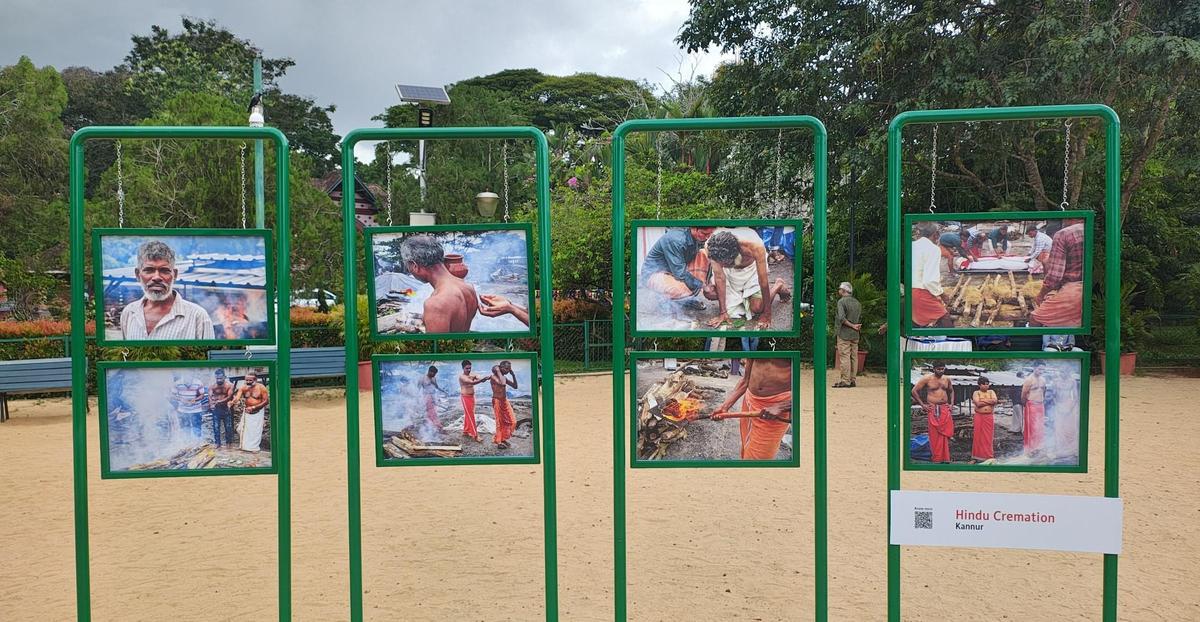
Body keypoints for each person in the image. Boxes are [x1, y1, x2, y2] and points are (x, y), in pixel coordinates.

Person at [119, 240, 215, 340]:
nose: (156, 277)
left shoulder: (197, 317)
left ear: (175, 275)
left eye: (164, 271)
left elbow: (209, 353)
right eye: (149, 270)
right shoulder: (129, 313)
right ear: (138, 274)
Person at [703, 229, 793, 329]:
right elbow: (720, 277)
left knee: (757, 308)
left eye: (725, 264)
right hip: (729, 274)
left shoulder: (755, 246)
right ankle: (741, 298)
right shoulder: (711, 247)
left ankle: (778, 285)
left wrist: (767, 314)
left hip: (751, 271)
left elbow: (763, 281)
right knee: (709, 293)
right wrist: (723, 312)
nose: (722, 265)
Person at [715, 357, 793, 460]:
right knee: (745, 449)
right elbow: (745, 380)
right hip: (749, 401)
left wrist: (781, 406)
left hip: (774, 411)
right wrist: (725, 406)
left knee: (757, 461)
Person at [400, 235, 478, 333]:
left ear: (415, 266)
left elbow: (437, 347)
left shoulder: (435, 304)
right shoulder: (468, 288)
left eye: (408, 267)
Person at [639, 227, 717, 310]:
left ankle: (686, 298)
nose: (707, 237)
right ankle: (668, 300)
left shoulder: (697, 238)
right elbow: (680, 273)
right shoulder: (675, 240)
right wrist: (702, 285)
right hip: (655, 273)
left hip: (674, 270)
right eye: (704, 234)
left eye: (710, 234)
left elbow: (706, 261)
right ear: (694, 229)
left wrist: (709, 283)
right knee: (681, 290)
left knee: (704, 254)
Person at [1029, 220, 1085, 327]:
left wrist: (1041, 295)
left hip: (1075, 289)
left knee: (1035, 319)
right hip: (1090, 288)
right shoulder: (1095, 228)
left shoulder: (1064, 234)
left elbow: (1054, 277)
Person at [911, 222, 953, 327]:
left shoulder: (912, 245)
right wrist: (942, 294)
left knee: (916, 324)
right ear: (935, 234)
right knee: (944, 316)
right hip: (920, 292)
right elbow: (929, 280)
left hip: (910, 291)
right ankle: (954, 340)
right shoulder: (933, 249)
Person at [912, 361, 953, 463]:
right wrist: (923, 405)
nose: (941, 371)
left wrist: (951, 404)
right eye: (938, 369)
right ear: (934, 369)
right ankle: (937, 458)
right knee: (934, 434)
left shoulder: (947, 379)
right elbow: (914, 391)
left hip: (944, 408)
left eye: (942, 369)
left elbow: (951, 391)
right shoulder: (927, 378)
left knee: (945, 434)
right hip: (933, 409)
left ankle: (945, 458)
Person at [833, 281, 862, 388]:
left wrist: (851, 325)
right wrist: (855, 327)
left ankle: (845, 380)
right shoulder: (857, 302)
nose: (839, 291)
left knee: (844, 356)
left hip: (844, 333)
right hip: (855, 334)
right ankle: (853, 379)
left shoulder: (841, 302)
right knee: (854, 356)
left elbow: (841, 318)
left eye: (840, 289)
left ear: (844, 291)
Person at [234, 371, 269, 452]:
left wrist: (254, 407)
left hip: (258, 412)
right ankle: (244, 447)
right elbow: (237, 397)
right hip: (246, 411)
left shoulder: (261, 387)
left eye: (250, 380)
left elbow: (266, 401)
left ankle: (254, 448)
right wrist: (233, 401)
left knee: (255, 431)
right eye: (246, 380)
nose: (248, 382)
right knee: (240, 429)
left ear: (255, 380)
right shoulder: (243, 387)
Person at [457, 360, 490, 442]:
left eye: (470, 368)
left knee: (469, 414)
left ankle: (465, 431)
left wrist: (484, 378)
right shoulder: (462, 377)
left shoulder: (472, 374)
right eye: (466, 368)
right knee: (470, 415)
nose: (468, 370)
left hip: (472, 397)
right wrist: (481, 380)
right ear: (463, 368)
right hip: (465, 397)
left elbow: (478, 377)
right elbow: (471, 382)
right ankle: (475, 435)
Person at [490, 361, 518, 449]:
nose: (507, 371)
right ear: (500, 368)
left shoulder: (504, 377)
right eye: (506, 368)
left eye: (509, 369)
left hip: (504, 401)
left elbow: (515, 386)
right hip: (497, 400)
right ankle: (499, 441)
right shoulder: (493, 377)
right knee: (499, 422)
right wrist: (498, 371)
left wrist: (513, 375)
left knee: (512, 421)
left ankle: (503, 438)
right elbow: (502, 383)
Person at [1021, 362, 1047, 454]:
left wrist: (1042, 401)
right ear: (1034, 368)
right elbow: (1023, 394)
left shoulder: (1043, 379)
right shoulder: (1029, 380)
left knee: (1040, 426)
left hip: (1040, 404)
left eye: (1043, 369)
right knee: (1032, 427)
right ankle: (1030, 448)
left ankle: (1039, 446)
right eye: (1039, 369)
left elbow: (1044, 392)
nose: (1041, 371)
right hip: (1031, 404)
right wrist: (1026, 404)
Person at [970, 376, 998, 462]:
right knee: (978, 436)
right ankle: (976, 456)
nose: (987, 386)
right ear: (980, 385)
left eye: (987, 384)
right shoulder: (976, 392)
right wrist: (989, 401)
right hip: (979, 416)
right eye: (984, 385)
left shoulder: (991, 391)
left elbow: (995, 401)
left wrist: (983, 401)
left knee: (988, 437)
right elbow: (978, 404)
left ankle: (988, 456)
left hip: (989, 416)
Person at [417, 366, 449, 431]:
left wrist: (443, 391)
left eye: (435, 374)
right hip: (426, 396)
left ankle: (432, 425)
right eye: (433, 373)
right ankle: (435, 425)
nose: (434, 375)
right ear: (430, 371)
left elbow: (436, 386)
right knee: (431, 412)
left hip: (433, 396)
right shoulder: (422, 378)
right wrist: (418, 399)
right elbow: (418, 389)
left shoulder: (433, 378)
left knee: (433, 411)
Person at [209, 369, 235, 448]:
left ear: (224, 377)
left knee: (228, 427)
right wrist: (211, 404)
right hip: (216, 409)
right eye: (217, 378)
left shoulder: (230, 385)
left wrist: (219, 401)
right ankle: (217, 443)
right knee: (216, 426)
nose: (218, 380)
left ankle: (229, 443)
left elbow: (229, 396)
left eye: (220, 378)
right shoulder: (213, 386)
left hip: (226, 408)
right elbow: (210, 396)